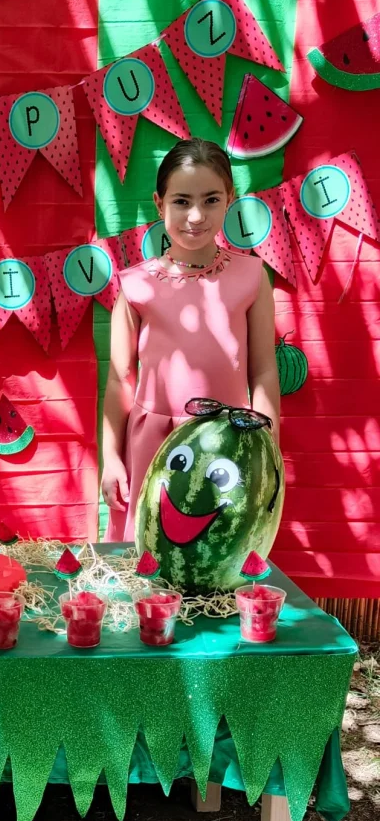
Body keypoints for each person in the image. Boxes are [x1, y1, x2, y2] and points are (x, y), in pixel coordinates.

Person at [100, 138, 280, 542]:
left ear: (229, 198)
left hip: (228, 446)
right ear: (159, 203)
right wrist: (111, 457)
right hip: (152, 445)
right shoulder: (136, 286)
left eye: (211, 200)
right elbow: (119, 379)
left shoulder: (252, 277)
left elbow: (264, 372)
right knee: (149, 552)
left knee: (217, 552)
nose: (196, 216)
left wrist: (268, 451)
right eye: (181, 201)